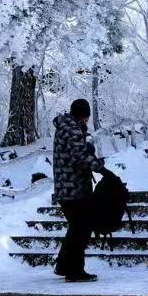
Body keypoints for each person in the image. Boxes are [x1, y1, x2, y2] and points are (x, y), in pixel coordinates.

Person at [52, 98, 115, 283]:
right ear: (83, 116)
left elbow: (74, 153)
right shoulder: (72, 129)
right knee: (81, 229)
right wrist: (100, 167)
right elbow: (79, 157)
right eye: (87, 117)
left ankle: (64, 266)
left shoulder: (66, 127)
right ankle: (75, 271)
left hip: (66, 187)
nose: (87, 121)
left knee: (76, 228)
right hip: (74, 189)